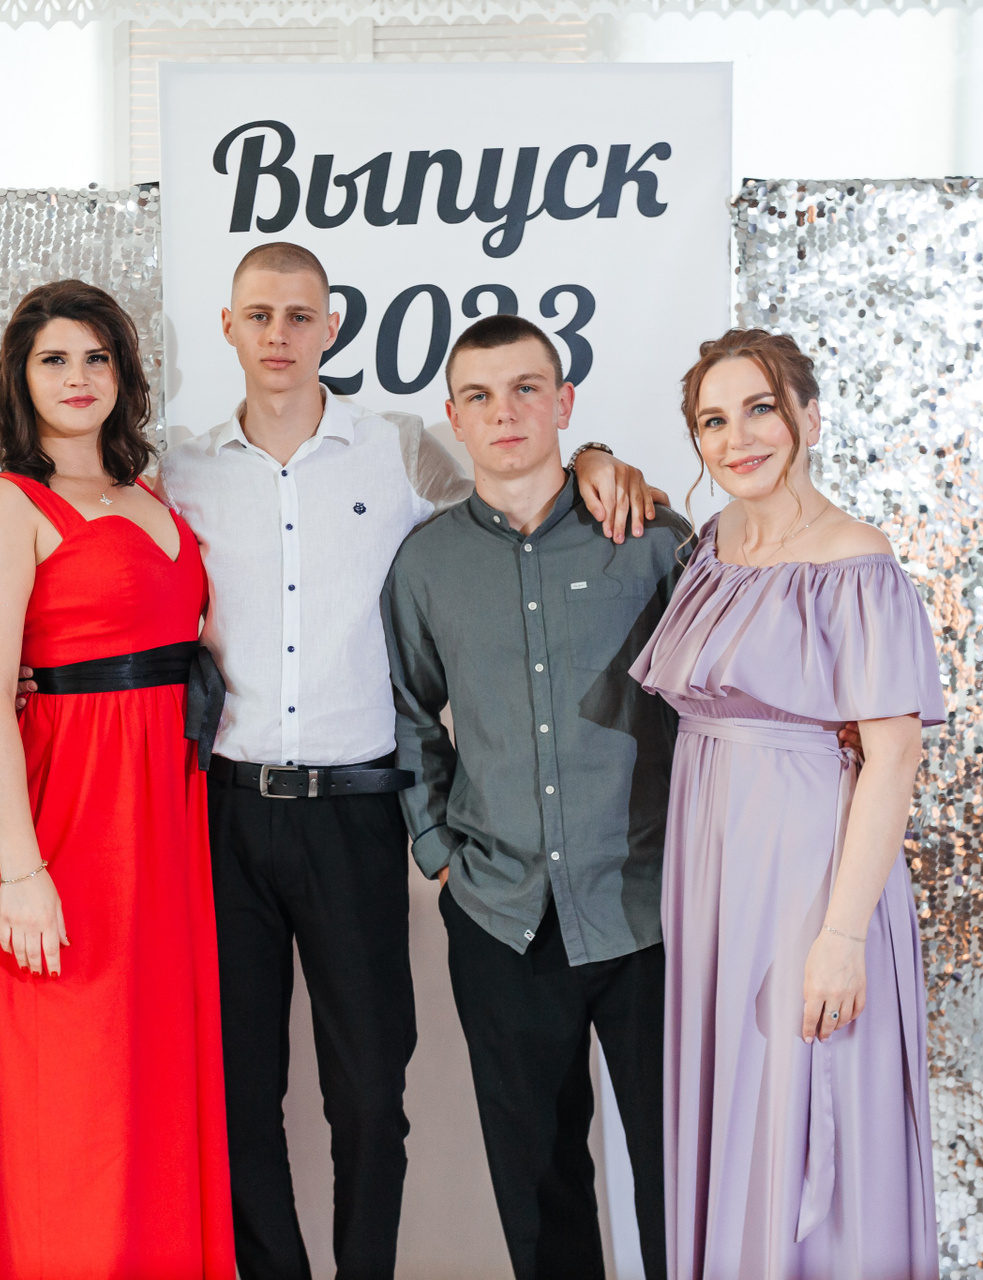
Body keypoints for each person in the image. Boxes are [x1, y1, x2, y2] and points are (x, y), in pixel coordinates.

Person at [159, 242, 661, 1280]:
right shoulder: (182, 469)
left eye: (302, 315)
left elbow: (516, 479)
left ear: (333, 326)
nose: (281, 335)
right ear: (228, 326)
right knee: (238, 1092)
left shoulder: (398, 447)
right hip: (228, 810)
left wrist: (602, 458)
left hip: (355, 813)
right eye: (261, 314)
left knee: (368, 1094)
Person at [628, 328, 943, 1279]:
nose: (738, 439)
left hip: (808, 881)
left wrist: (842, 938)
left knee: (805, 1111)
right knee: (735, 1113)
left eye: (760, 409)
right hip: (713, 887)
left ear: (808, 415)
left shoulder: (856, 560)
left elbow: (893, 759)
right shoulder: (709, 547)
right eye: (712, 421)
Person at [0, 280, 234, 1278]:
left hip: (165, 826)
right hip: (65, 825)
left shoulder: (152, 493)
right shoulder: (4, 505)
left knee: (151, 1083)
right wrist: (21, 871)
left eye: (96, 357)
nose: (78, 377)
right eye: (54, 360)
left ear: (124, 372)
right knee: (71, 1093)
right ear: (20, 379)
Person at [381, 314, 684, 1280]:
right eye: (479, 395)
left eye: (526, 389)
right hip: (502, 917)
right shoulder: (426, 565)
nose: (504, 412)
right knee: (539, 1185)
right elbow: (406, 715)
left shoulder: (651, 541)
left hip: (650, 911)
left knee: (682, 1176)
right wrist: (438, 851)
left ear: (565, 402)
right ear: (454, 418)